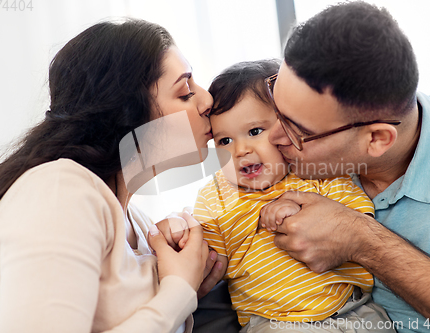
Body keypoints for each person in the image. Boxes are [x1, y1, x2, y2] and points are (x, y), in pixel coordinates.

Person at [0, 19, 216, 333]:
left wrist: (191, 283)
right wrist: (179, 291)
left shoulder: (139, 224)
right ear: (126, 112)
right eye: (185, 91)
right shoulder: (60, 193)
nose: (208, 101)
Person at [257, 2, 430, 333]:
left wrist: (362, 240)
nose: (273, 138)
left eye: (296, 129)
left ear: (376, 139)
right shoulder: (288, 156)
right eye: (276, 106)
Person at [164, 60, 394, 332]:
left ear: (286, 128)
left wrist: (296, 209)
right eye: (224, 141)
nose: (240, 150)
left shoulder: (314, 171)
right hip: (277, 321)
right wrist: (180, 234)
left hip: (354, 309)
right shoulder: (216, 194)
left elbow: (359, 219)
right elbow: (210, 258)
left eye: (254, 132)